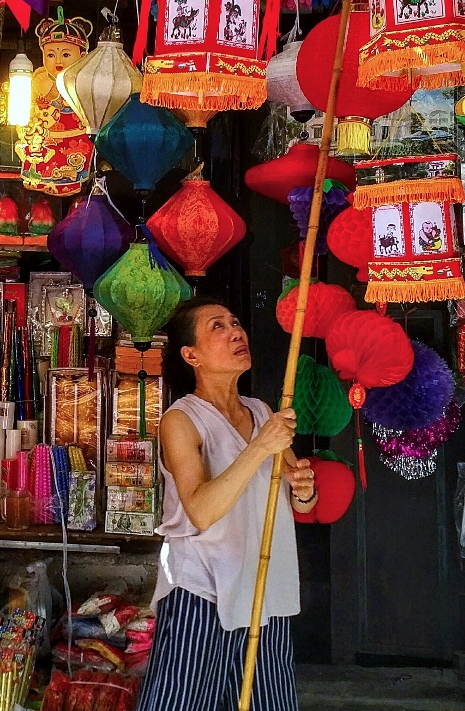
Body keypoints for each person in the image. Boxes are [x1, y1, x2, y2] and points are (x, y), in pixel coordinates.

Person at [137, 297, 316, 711]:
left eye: (235, 321)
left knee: (268, 701)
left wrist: (303, 488)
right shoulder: (181, 420)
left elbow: (302, 504)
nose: (237, 331)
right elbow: (200, 510)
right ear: (191, 355)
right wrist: (262, 445)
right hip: (201, 590)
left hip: (262, 589)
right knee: (181, 702)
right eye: (217, 326)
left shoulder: (262, 412)